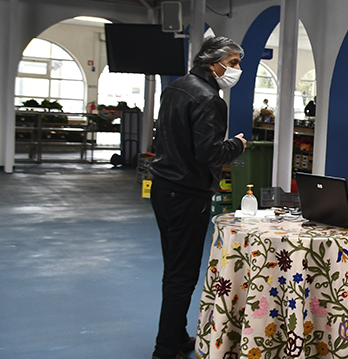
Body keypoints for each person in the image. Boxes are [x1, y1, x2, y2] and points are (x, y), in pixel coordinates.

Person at [148, 36, 247, 359]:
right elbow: (210, 153)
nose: (237, 69)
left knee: (173, 266)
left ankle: (177, 336)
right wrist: (237, 145)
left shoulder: (177, 87)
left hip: (163, 187)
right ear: (212, 63)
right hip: (188, 193)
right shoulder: (210, 100)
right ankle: (165, 349)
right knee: (183, 274)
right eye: (232, 63)